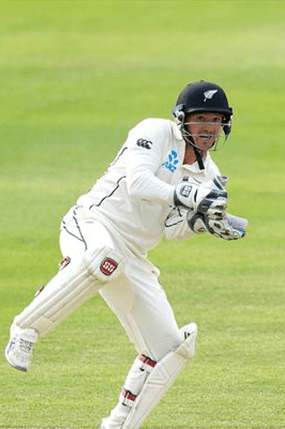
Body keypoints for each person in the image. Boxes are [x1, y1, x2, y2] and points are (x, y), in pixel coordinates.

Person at [4, 81, 249, 429]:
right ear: (183, 120)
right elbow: (138, 182)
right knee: (105, 257)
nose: (208, 127)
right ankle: (25, 328)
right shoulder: (155, 132)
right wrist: (191, 197)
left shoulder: (210, 176)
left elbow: (171, 229)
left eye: (216, 119)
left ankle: (120, 424)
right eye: (201, 118)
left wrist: (202, 223)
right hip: (91, 222)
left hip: (134, 254)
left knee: (171, 348)